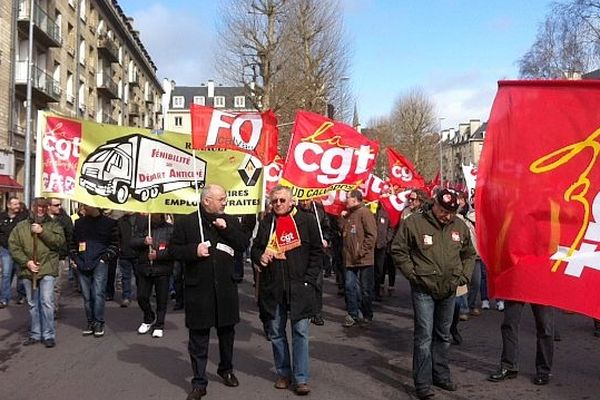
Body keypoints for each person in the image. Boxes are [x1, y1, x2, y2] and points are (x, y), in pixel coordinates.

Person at [391, 189, 476, 400]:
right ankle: (422, 382)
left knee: (443, 335)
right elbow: (399, 249)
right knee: (424, 336)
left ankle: (441, 374)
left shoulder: (459, 226)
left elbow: (469, 254)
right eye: (443, 210)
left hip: (449, 289)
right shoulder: (415, 222)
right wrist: (412, 274)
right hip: (423, 289)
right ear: (434, 204)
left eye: (451, 212)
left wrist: (463, 276)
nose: (446, 215)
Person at [170, 184, 250, 400]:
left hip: (225, 288)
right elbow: (173, 250)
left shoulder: (230, 221)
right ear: (207, 201)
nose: (225, 202)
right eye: (221, 198)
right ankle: (199, 381)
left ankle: (226, 369)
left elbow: (243, 245)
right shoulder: (187, 222)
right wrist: (193, 251)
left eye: (225, 198)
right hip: (199, 289)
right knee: (198, 337)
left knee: (226, 333)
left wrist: (227, 229)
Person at [251, 185, 322, 395]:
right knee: (276, 332)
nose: (278, 204)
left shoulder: (307, 221)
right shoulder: (267, 222)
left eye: (282, 200)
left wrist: (309, 280)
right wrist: (259, 256)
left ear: (291, 201)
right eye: (274, 201)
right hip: (273, 288)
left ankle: (301, 378)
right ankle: (283, 373)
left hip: (300, 287)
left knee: (300, 332)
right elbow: (255, 248)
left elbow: (318, 253)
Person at [9, 198, 65, 347]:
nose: (40, 210)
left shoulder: (54, 225)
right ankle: (35, 333)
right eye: (37, 207)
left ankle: (48, 334)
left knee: (46, 302)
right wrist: (26, 262)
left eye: (43, 207)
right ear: (32, 208)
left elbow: (59, 243)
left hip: (47, 267)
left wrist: (43, 232)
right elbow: (14, 247)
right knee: (33, 303)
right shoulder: (20, 227)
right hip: (28, 270)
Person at [70, 205, 119, 338]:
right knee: (87, 296)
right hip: (82, 261)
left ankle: (98, 322)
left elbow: (115, 244)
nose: (84, 207)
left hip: (99, 262)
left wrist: (105, 258)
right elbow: (73, 242)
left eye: (87, 205)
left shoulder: (109, 223)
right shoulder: (79, 223)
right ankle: (90, 321)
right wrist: (74, 257)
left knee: (98, 293)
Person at [487, 301, 555, 385]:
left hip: (541, 289)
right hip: (517, 289)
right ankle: (509, 365)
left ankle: (544, 370)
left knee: (545, 327)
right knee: (509, 323)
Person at [131, 213, 174, 338]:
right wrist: (143, 241)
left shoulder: (170, 229)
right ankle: (148, 317)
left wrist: (159, 255)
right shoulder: (143, 226)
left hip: (162, 269)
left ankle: (159, 324)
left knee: (161, 299)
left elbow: (174, 250)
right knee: (142, 296)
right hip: (145, 268)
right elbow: (131, 242)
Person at [339, 189, 377, 328]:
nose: (345, 200)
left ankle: (367, 314)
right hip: (349, 259)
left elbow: (372, 235)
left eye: (347, 197)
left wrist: (361, 251)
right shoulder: (349, 214)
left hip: (364, 259)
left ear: (355, 199)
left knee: (366, 289)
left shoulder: (365, 213)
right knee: (349, 287)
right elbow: (342, 231)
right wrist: (342, 218)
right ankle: (352, 314)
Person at [297, 197, 331, 326]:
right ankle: (303, 310)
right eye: (302, 200)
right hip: (299, 252)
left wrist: (326, 239)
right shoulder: (294, 212)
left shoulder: (319, 211)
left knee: (317, 282)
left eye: (306, 200)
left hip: (316, 251)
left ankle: (317, 313)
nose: (304, 203)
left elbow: (327, 228)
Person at [46, 198, 73, 316]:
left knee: (56, 285)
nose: (59, 207)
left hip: (58, 257)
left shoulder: (65, 219)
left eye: (60, 205)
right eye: (56, 205)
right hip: (43, 257)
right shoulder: (40, 219)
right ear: (49, 206)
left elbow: (70, 237)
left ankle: (53, 309)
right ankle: (45, 308)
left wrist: (68, 254)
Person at [0, 196, 28, 307]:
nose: (17, 206)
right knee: (6, 274)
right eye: (15, 204)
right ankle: (4, 298)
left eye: (18, 204)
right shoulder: (2, 217)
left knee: (20, 273)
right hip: (6, 249)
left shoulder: (22, 217)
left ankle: (22, 295)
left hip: (19, 250)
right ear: (9, 205)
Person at [117, 212, 143, 307]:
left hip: (138, 252)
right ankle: (126, 297)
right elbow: (118, 236)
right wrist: (120, 248)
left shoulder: (141, 219)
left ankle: (141, 296)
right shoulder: (120, 221)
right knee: (125, 277)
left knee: (139, 276)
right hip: (125, 253)